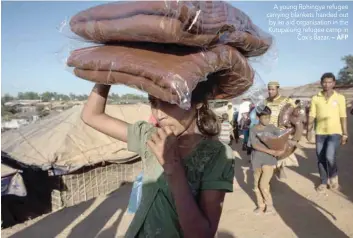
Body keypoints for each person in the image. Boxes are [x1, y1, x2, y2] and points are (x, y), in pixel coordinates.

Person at [81, 83, 235, 238]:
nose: (159, 115)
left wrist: (174, 169)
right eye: (153, 102)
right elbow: (91, 116)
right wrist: (106, 77)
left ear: (199, 102)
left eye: (169, 101)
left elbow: (202, 235)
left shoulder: (217, 154)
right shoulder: (151, 137)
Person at [307, 72, 348, 192]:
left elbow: (343, 116)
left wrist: (345, 133)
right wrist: (309, 130)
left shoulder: (340, 98)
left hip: (335, 132)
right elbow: (312, 115)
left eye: (330, 82)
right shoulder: (316, 98)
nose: (327, 84)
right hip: (320, 132)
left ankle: (333, 176)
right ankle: (324, 182)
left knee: (329, 156)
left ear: (334, 83)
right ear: (321, 83)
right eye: (325, 82)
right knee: (320, 157)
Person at [250, 106, 285, 214]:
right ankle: (260, 205)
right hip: (256, 160)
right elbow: (254, 145)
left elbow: (282, 138)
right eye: (264, 117)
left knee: (263, 184)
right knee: (256, 186)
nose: (267, 120)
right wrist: (270, 151)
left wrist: (281, 150)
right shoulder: (253, 129)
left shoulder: (272, 127)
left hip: (269, 161)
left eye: (268, 117)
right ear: (258, 117)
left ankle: (269, 205)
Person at [265, 81, 297, 179]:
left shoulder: (286, 101)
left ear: (278, 89)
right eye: (269, 89)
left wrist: (290, 127)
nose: (270, 91)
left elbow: (294, 113)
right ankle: (269, 175)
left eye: (273, 89)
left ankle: (280, 168)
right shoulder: (266, 101)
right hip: (269, 131)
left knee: (281, 153)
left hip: (281, 132)